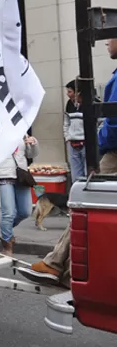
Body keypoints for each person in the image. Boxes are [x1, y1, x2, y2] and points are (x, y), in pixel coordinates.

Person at [23, 38, 117, 284]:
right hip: (81, 145)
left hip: (110, 153)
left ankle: (57, 265)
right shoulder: (70, 104)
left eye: (112, 37)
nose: (107, 42)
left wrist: (100, 144)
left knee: (84, 207)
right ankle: (66, 269)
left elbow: (111, 122)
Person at [0, 135, 39, 255]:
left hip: (21, 175)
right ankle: (7, 246)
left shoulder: (20, 129)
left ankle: (5, 226)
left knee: (25, 212)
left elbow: (31, 155)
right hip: (3, 174)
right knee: (8, 213)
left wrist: (33, 143)